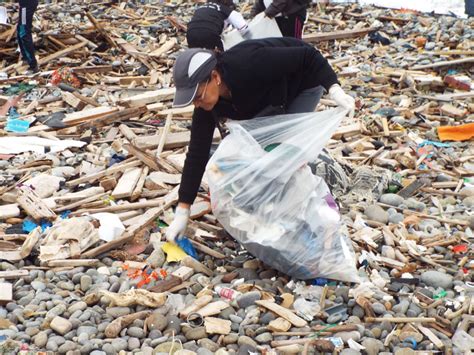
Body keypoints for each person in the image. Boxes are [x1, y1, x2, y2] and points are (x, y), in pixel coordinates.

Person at [165, 37, 355, 243]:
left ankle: (302, 215)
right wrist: (183, 209)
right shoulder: (207, 106)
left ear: (215, 77)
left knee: (284, 154)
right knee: (259, 152)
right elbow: (197, 152)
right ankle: (267, 210)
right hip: (265, 99)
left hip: (301, 83)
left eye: (198, 96)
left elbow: (309, 56)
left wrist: (334, 89)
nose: (197, 104)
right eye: (192, 100)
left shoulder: (249, 63)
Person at [17, 0, 39, 73]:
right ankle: (26, 59)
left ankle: (33, 65)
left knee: (23, 32)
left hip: (26, 4)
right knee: (20, 29)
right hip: (25, 4)